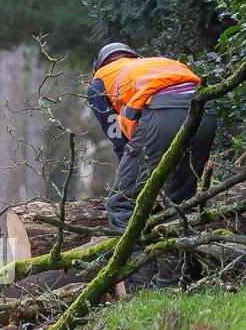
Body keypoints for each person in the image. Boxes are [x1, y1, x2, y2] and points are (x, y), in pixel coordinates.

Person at [87, 42, 217, 289]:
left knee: (123, 202)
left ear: (99, 66)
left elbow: (120, 140)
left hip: (163, 113)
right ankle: (173, 284)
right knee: (179, 203)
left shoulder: (99, 82)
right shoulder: (154, 64)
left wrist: (135, 181)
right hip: (206, 113)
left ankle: (141, 289)